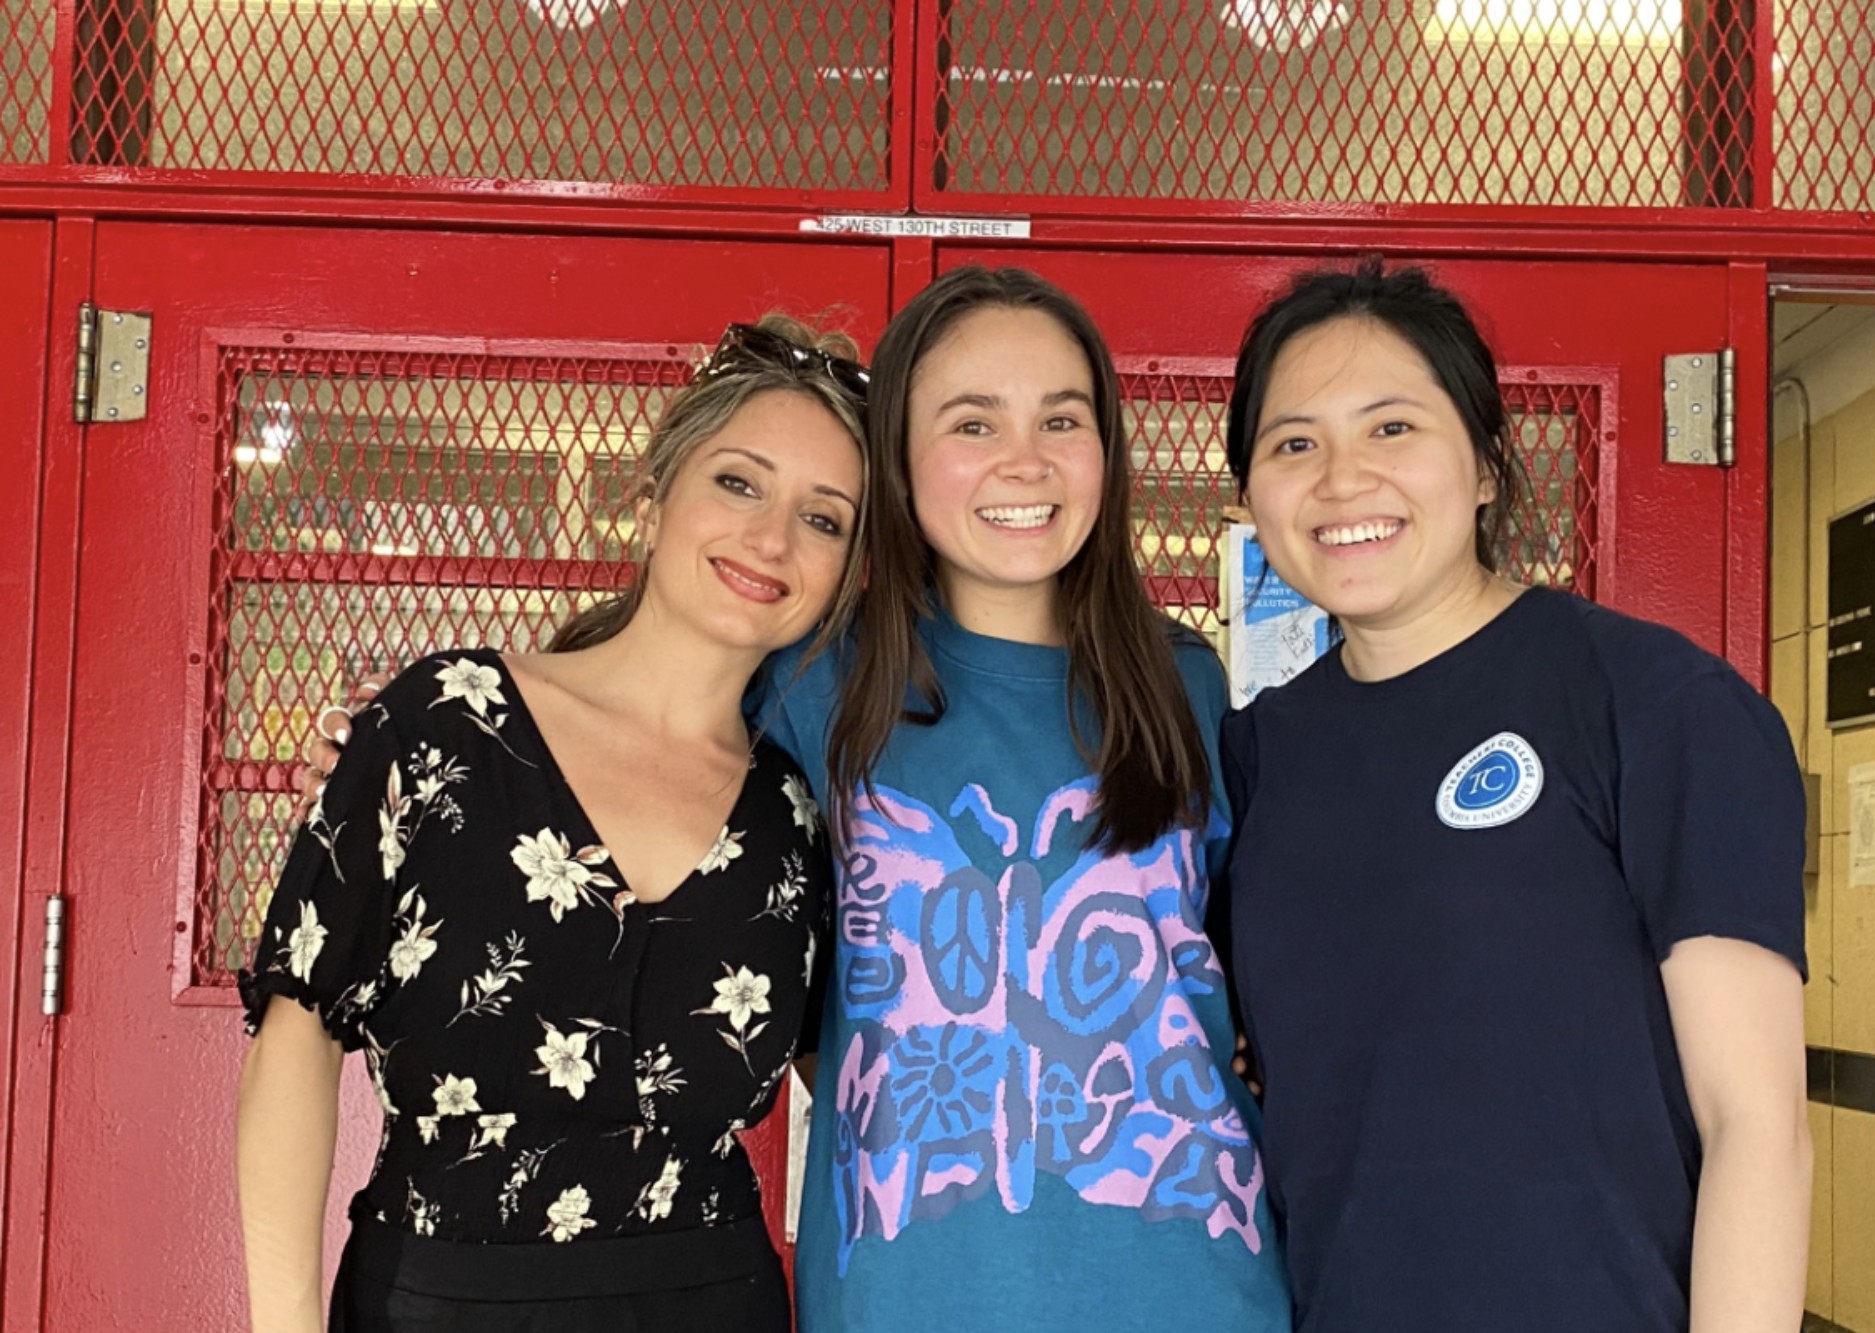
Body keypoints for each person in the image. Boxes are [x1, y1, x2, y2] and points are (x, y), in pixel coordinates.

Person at [300, 267, 1292, 1332]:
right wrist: (407, 749)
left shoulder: (1186, 682)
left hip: (1194, 1282)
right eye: (970, 420)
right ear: (899, 469)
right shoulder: (816, 680)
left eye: (1062, 416)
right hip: (905, 1292)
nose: (1024, 458)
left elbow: (1254, 956)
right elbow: (623, 727)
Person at [236, 315, 870, 1333]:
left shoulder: (795, 819)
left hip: (712, 1302)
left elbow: (869, 1070)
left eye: (825, 518)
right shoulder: (445, 726)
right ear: (655, 494)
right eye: (739, 482)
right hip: (440, 1298)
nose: (772, 538)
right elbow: (296, 1025)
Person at [1217, 259, 1812, 1333]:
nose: (1340, 479)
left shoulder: (1654, 705)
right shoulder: (1260, 752)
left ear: (1487, 463)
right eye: (1292, 442)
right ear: (1251, 492)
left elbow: (1754, 1126)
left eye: (1390, 428)